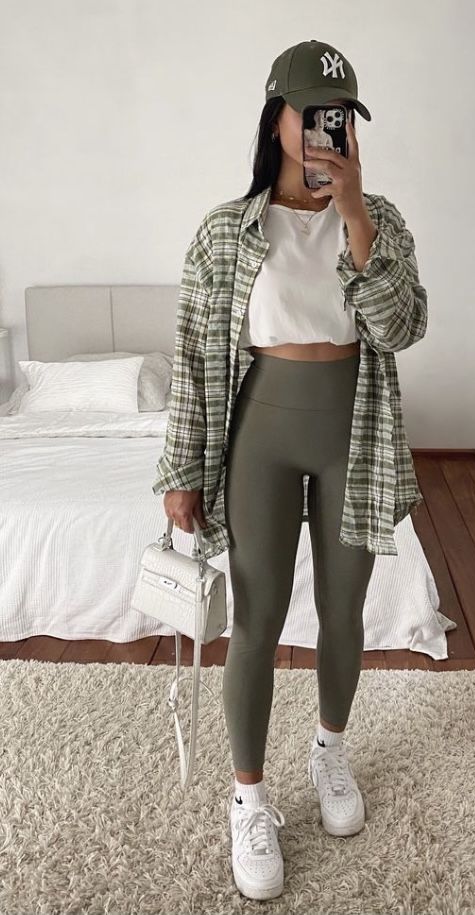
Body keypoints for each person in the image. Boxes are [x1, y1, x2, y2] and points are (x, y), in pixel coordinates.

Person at [152, 39, 428, 902]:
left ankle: (329, 752)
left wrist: (355, 217)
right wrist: (181, 468)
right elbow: (195, 357)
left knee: (344, 608)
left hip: (352, 432)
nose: (323, 133)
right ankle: (249, 798)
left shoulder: (378, 219)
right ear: (276, 119)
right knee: (258, 616)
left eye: (338, 119)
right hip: (259, 440)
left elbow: (400, 328)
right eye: (311, 115)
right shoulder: (224, 231)